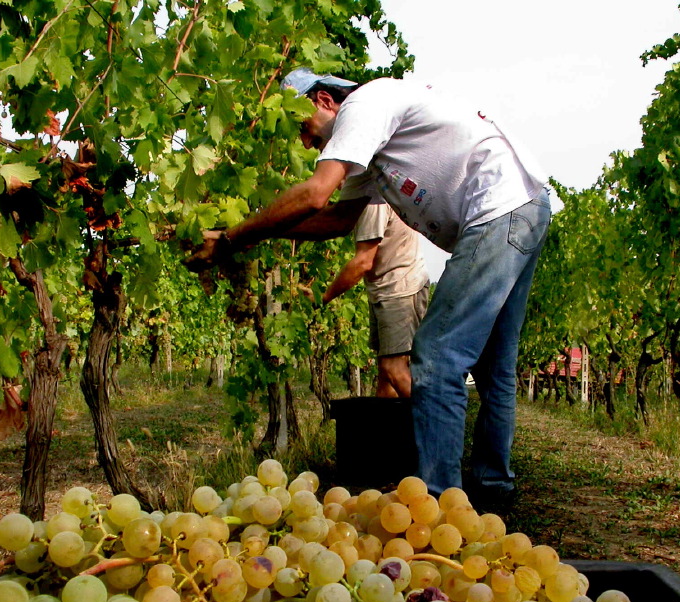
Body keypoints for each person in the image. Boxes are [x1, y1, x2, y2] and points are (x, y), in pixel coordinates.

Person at [189, 67, 551, 497]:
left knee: (436, 358)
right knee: (494, 368)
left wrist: (232, 239)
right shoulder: (373, 152)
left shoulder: (363, 105)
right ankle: (493, 489)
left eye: (302, 127)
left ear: (323, 100)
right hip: (521, 207)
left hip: (499, 209)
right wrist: (259, 233)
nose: (305, 142)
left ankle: (438, 501)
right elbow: (336, 219)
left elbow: (315, 194)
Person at [322, 201, 429, 399]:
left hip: (399, 290)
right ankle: (384, 430)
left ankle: (437, 427)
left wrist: (323, 298)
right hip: (386, 290)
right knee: (385, 377)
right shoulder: (373, 192)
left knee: (393, 369)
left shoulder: (374, 200)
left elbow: (362, 262)